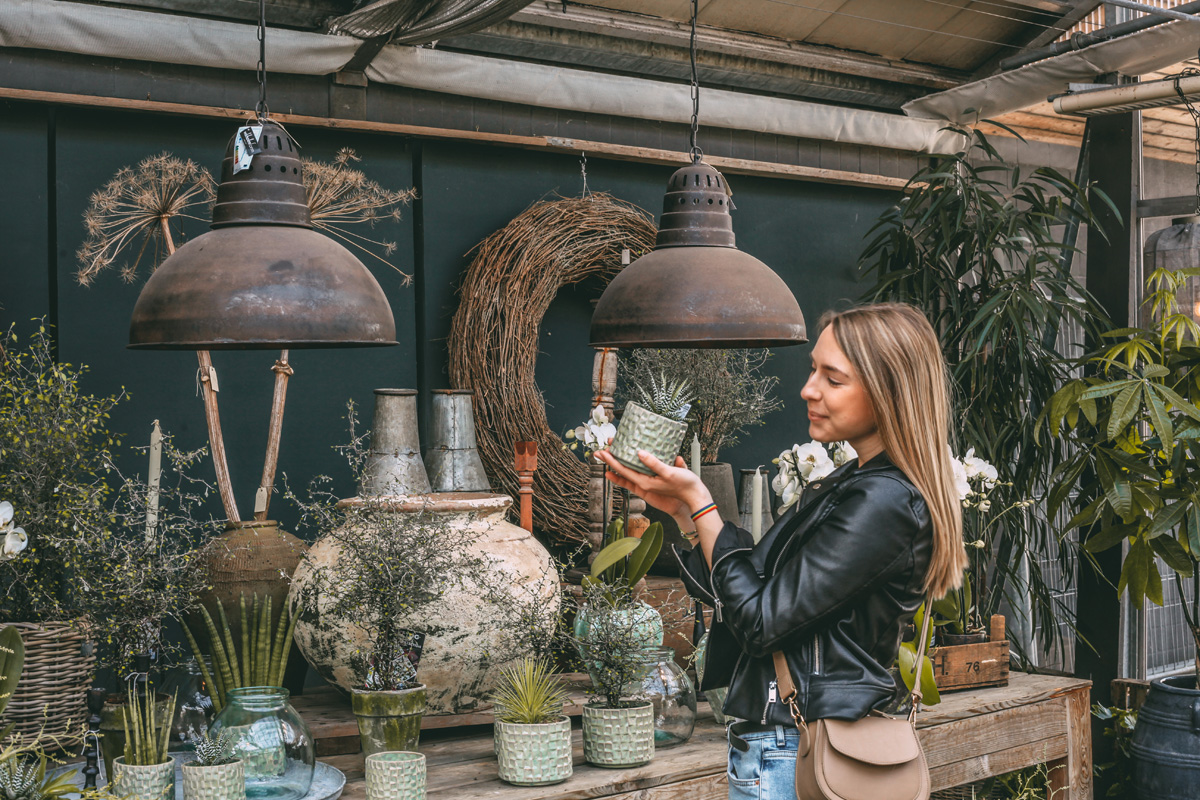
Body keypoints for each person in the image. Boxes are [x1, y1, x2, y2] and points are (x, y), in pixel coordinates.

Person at [597, 303, 967, 800]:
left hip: (798, 751)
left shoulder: (883, 501)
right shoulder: (854, 483)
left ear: (888, 393)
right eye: (813, 369)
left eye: (833, 379)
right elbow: (746, 591)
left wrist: (702, 502)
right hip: (785, 747)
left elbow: (762, 622)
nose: (809, 389)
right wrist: (686, 515)